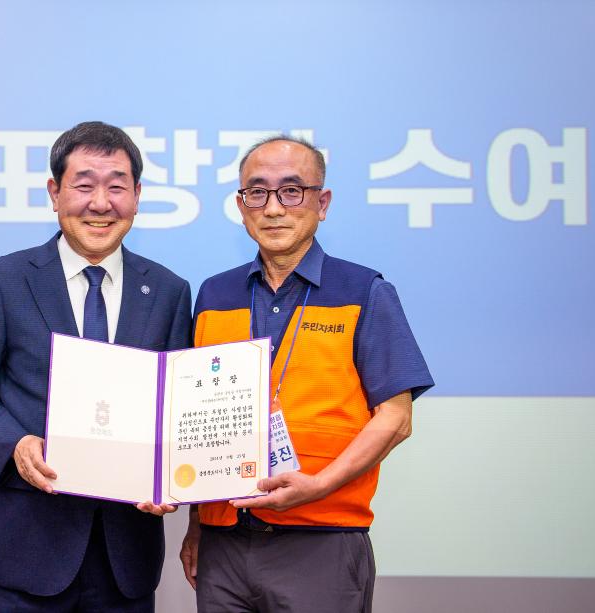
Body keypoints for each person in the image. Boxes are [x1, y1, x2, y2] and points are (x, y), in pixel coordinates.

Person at [0, 121, 192, 612]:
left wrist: (174, 477)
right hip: (22, 551)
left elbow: (178, 405)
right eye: (84, 185)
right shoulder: (4, 280)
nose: (100, 203)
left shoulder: (168, 291)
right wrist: (14, 444)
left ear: (137, 195)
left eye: (116, 186)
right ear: (55, 193)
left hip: (126, 559)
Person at [179, 136, 434, 613]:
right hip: (224, 542)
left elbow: (396, 418)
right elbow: (198, 420)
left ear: (323, 203)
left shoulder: (365, 290)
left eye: (292, 191)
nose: (274, 208)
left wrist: (319, 485)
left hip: (321, 539)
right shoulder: (214, 295)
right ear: (241, 205)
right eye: (258, 192)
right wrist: (196, 525)